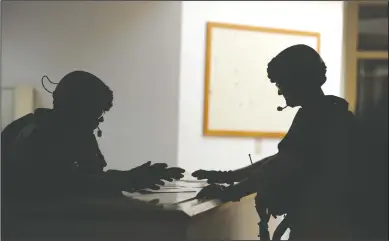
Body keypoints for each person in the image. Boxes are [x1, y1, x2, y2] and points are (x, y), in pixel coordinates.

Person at [192, 45, 361, 239]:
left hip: (322, 227)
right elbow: (283, 158)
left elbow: (282, 166)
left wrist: (229, 192)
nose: (280, 92)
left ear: (298, 80)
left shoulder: (319, 116)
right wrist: (227, 176)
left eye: (280, 83)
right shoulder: (325, 110)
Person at [1, 70, 185, 204]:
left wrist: (131, 176)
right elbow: (67, 183)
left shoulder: (73, 131)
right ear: (76, 107)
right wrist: (129, 179)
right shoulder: (34, 135)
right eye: (96, 111)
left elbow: (91, 177)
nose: (100, 119)